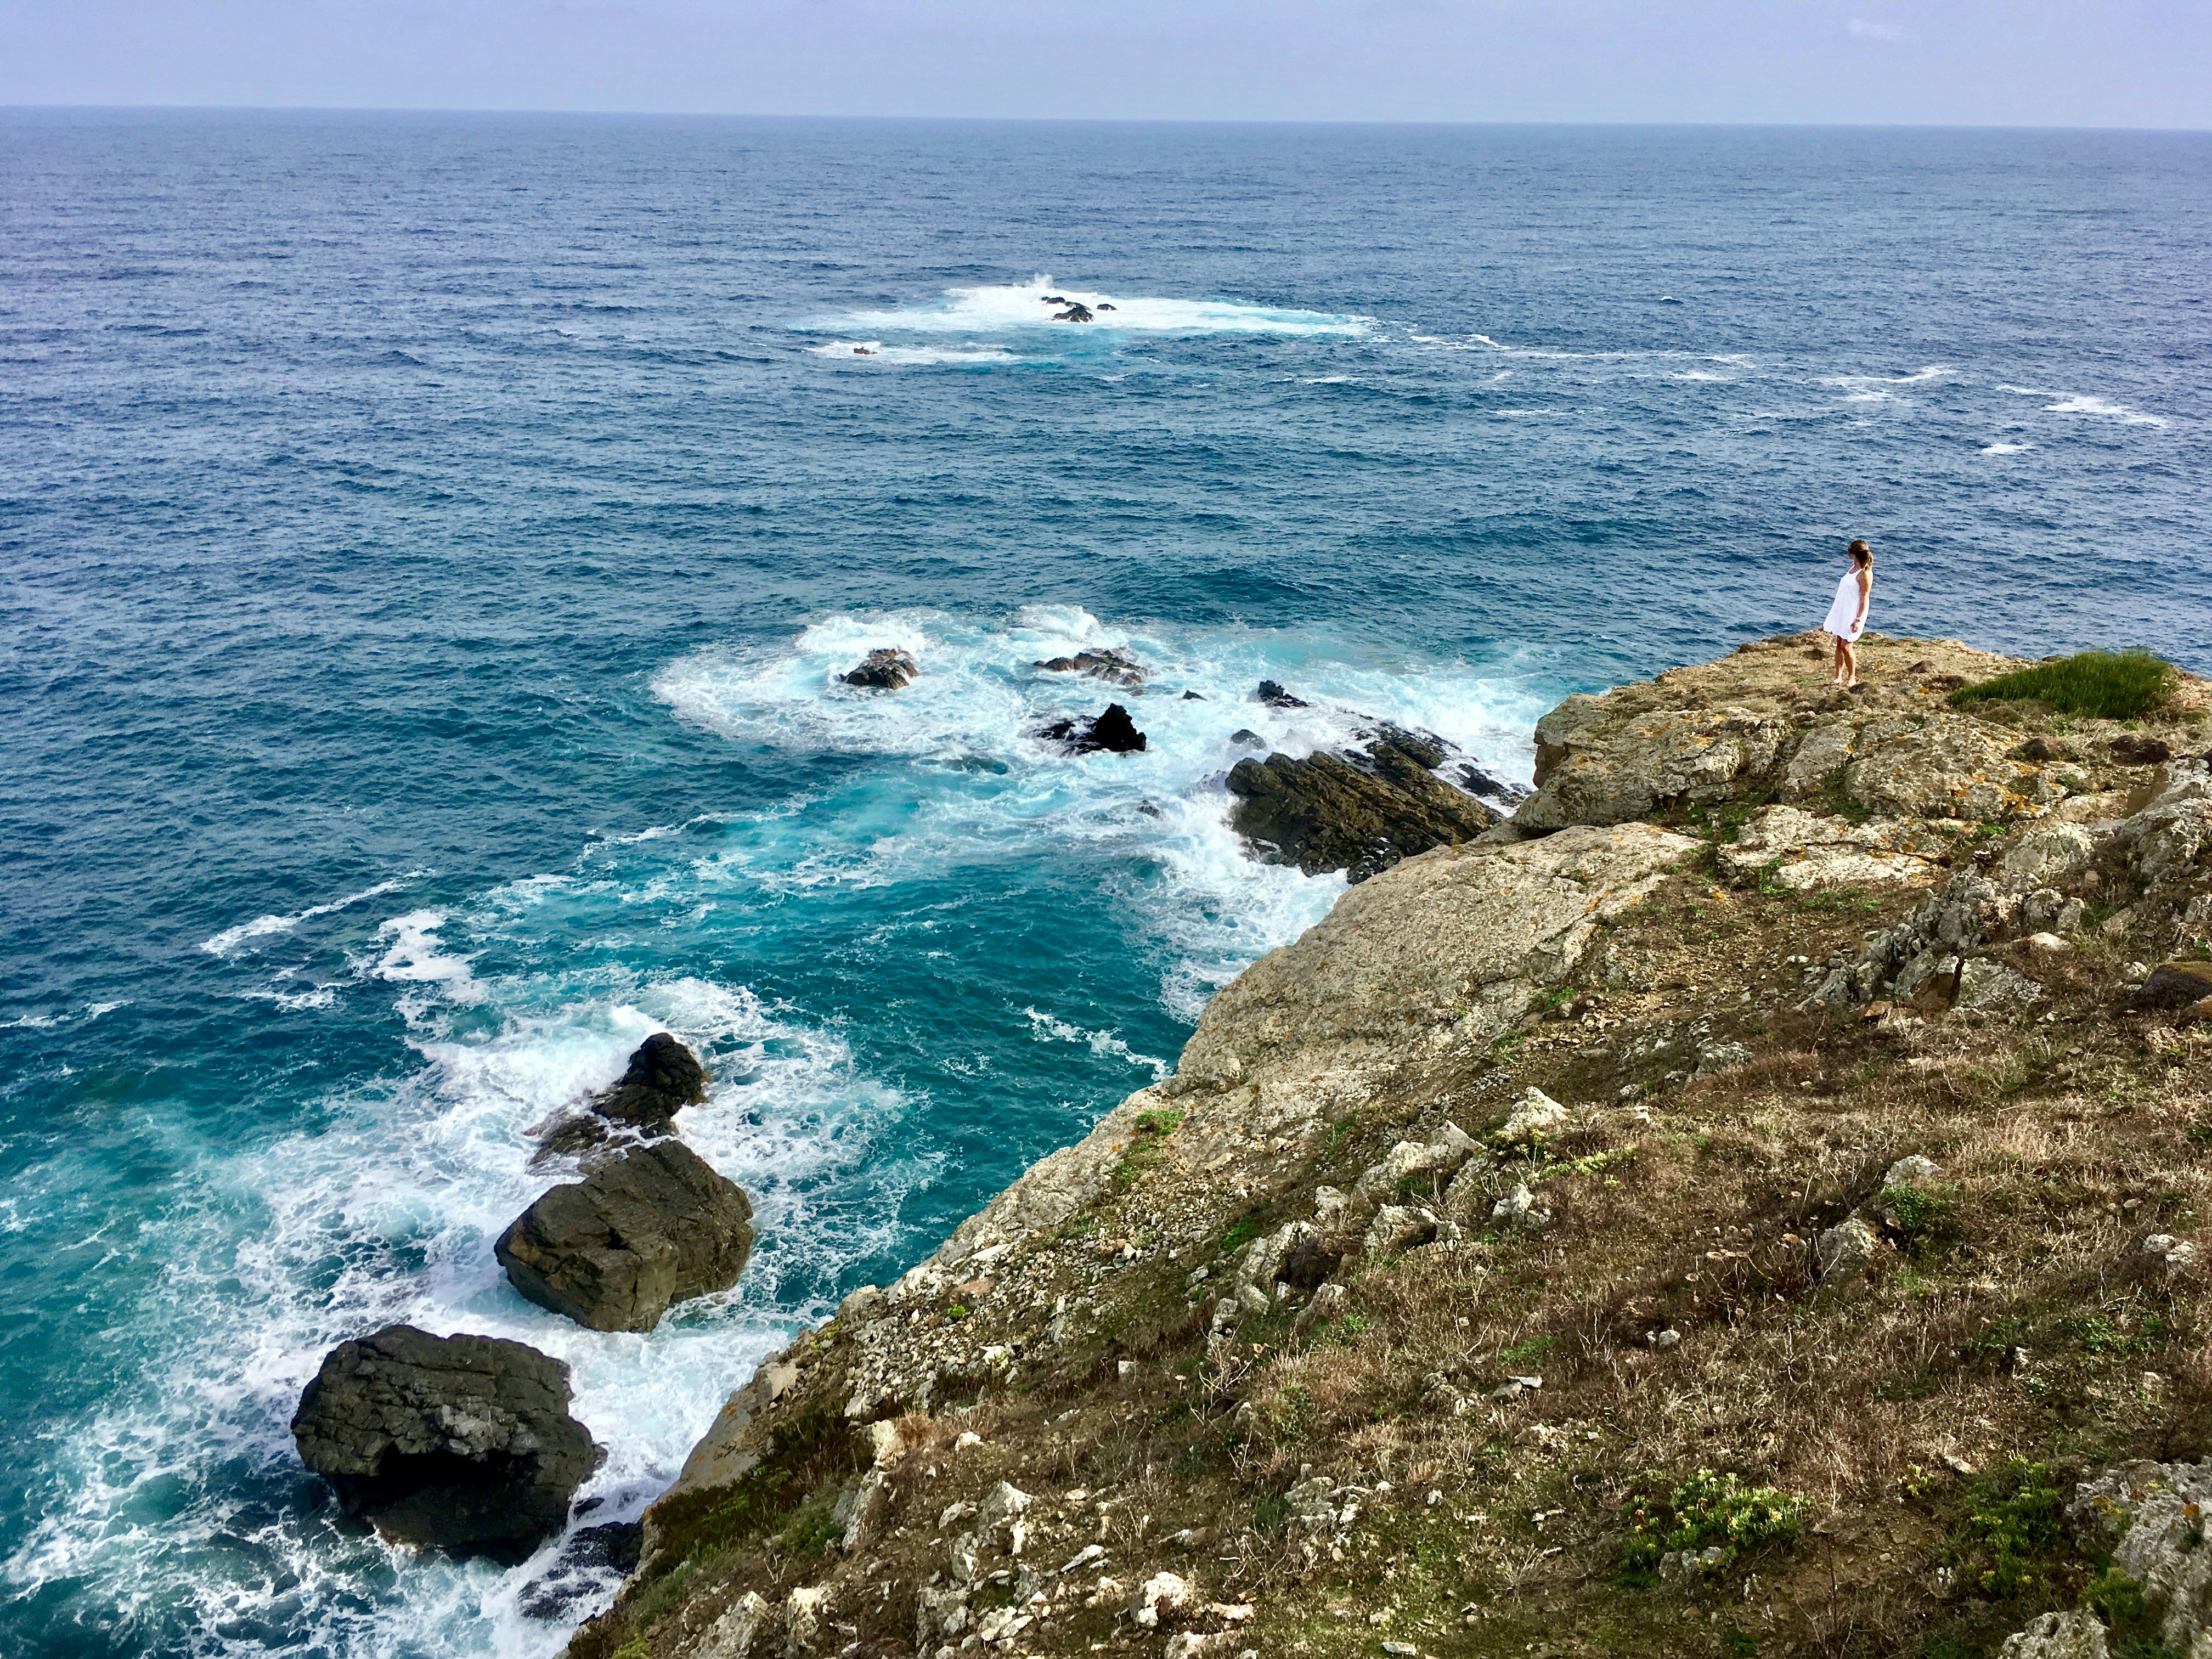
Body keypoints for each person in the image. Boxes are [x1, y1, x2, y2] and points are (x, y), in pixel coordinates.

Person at [1823, 539, 1874, 689]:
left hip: (1854, 612)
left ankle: (1852, 677)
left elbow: (1865, 597)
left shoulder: (1865, 573)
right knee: (1839, 643)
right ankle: (1838, 677)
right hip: (1843, 609)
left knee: (1846, 646)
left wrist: (1858, 619)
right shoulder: (1854, 567)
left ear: (1855, 554)